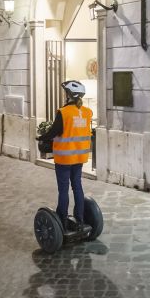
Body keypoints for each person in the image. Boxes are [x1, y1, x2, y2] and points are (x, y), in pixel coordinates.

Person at [37, 80, 93, 232]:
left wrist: (41, 137)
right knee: (77, 187)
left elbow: (54, 131)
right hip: (79, 157)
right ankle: (80, 220)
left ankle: (62, 220)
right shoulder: (88, 112)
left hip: (64, 158)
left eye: (65, 93)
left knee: (63, 189)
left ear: (69, 95)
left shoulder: (64, 112)